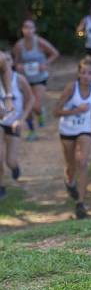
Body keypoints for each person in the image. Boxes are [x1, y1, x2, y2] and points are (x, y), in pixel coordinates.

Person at [54, 58, 91, 219]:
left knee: (82, 162)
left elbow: (90, 106)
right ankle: (69, 182)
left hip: (84, 129)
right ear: (78, 73)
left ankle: (81, 203)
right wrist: (76, 111)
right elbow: (56, 111)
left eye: (89, 73)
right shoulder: (71, 88)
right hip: (67, 129)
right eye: (83, 72)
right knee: (71, 166)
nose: (86, 76)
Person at [13, 19, 60, 141]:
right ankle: (32, 131)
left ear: (34, 29)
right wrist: (18, 66)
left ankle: (40, 113)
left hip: (39, 78)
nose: (28, 30)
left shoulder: (39, 42)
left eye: (31, 28)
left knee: (36, 105)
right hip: (25, 79)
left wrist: (45, 64)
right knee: (27, 106)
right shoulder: (19, 45)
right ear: (22, 30)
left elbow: (55, 53)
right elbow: (14, 62)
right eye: (26, 28)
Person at [0, 52, 34, 200]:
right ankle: (1, 187)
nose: (6, 63)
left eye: (8, 60)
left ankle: (14, 167)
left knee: (10, 160)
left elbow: (31, 99)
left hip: (13, 122)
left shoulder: (19, 79)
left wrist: (22, 119)